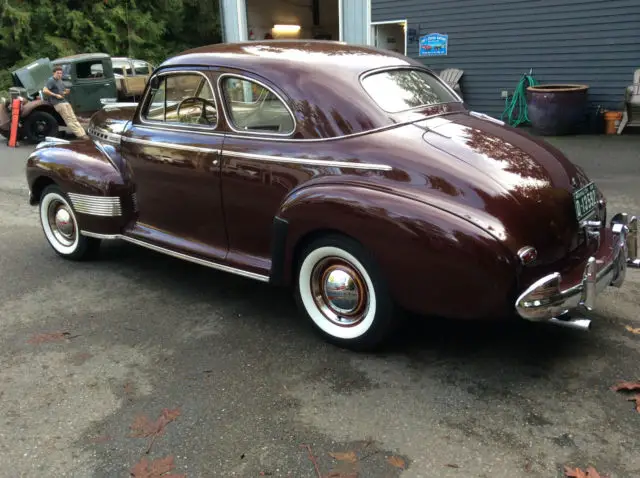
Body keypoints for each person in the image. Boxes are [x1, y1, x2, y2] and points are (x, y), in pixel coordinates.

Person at [42, 66, 88, 140]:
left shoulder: (60, 80)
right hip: (58, 103)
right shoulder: (51, 80)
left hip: (64, 101)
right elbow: (44, 90)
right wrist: (55, 95)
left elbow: (61, 92)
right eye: (58, 73)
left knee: (74, 118)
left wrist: (65, 92)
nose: (59, 74)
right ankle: (80, 135)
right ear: (54, 73)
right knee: (69, 119)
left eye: (60, 73)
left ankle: (83, 133)